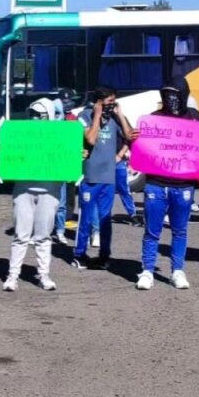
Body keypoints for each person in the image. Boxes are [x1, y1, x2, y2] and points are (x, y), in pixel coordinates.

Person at [136, 77, 199, 290]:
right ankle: (147, 270)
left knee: (180, 230)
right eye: (167, 95)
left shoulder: (196, 119)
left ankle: (177, 270)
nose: (172, 99)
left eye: (176, 94)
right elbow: (142, 147)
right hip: (156, 183)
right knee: (152, 230)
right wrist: (134, 138)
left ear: (184, 95)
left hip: (183, 185)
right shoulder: (153, 119)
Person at [72, 85, 137, 270]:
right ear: (99, 102)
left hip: (109, 177)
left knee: (105, 219)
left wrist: (121, 115)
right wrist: (97, 116)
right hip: (91, 176)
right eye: (109, 102)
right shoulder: (84, 116)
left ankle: (104, 254)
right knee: (85, 218)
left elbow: (129, 135)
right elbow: (91, 139)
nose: (111, 105)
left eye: (114, 102)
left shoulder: (114, 118)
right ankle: (79, 253)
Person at [3, 98, 60, 292]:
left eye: (40, 116)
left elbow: (67, 158)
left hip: (50, 190)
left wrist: (79, 155)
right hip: (23, 189)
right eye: (32, 115)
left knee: (43, 236)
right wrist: (3, 151)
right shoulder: (22, 135)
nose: (35, 119)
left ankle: (43, 275)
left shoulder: (60, 135)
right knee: (21, 234)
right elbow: (8, 159)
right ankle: (13, 276)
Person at [53, 88, 78, 245]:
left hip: (65, 165)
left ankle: (60, 231)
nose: (67, 103)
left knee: (62, 203)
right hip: (50, 165)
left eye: (69, 100)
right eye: (64, 101)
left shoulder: (73, 119)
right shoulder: (51, 118)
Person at [114, 133, 142, 226]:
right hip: (102, 161)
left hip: (119, 161)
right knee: (104, 190)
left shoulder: (120, 120)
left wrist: (120, 154)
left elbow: (129, 138)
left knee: (124, 190)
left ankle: (133, 215)